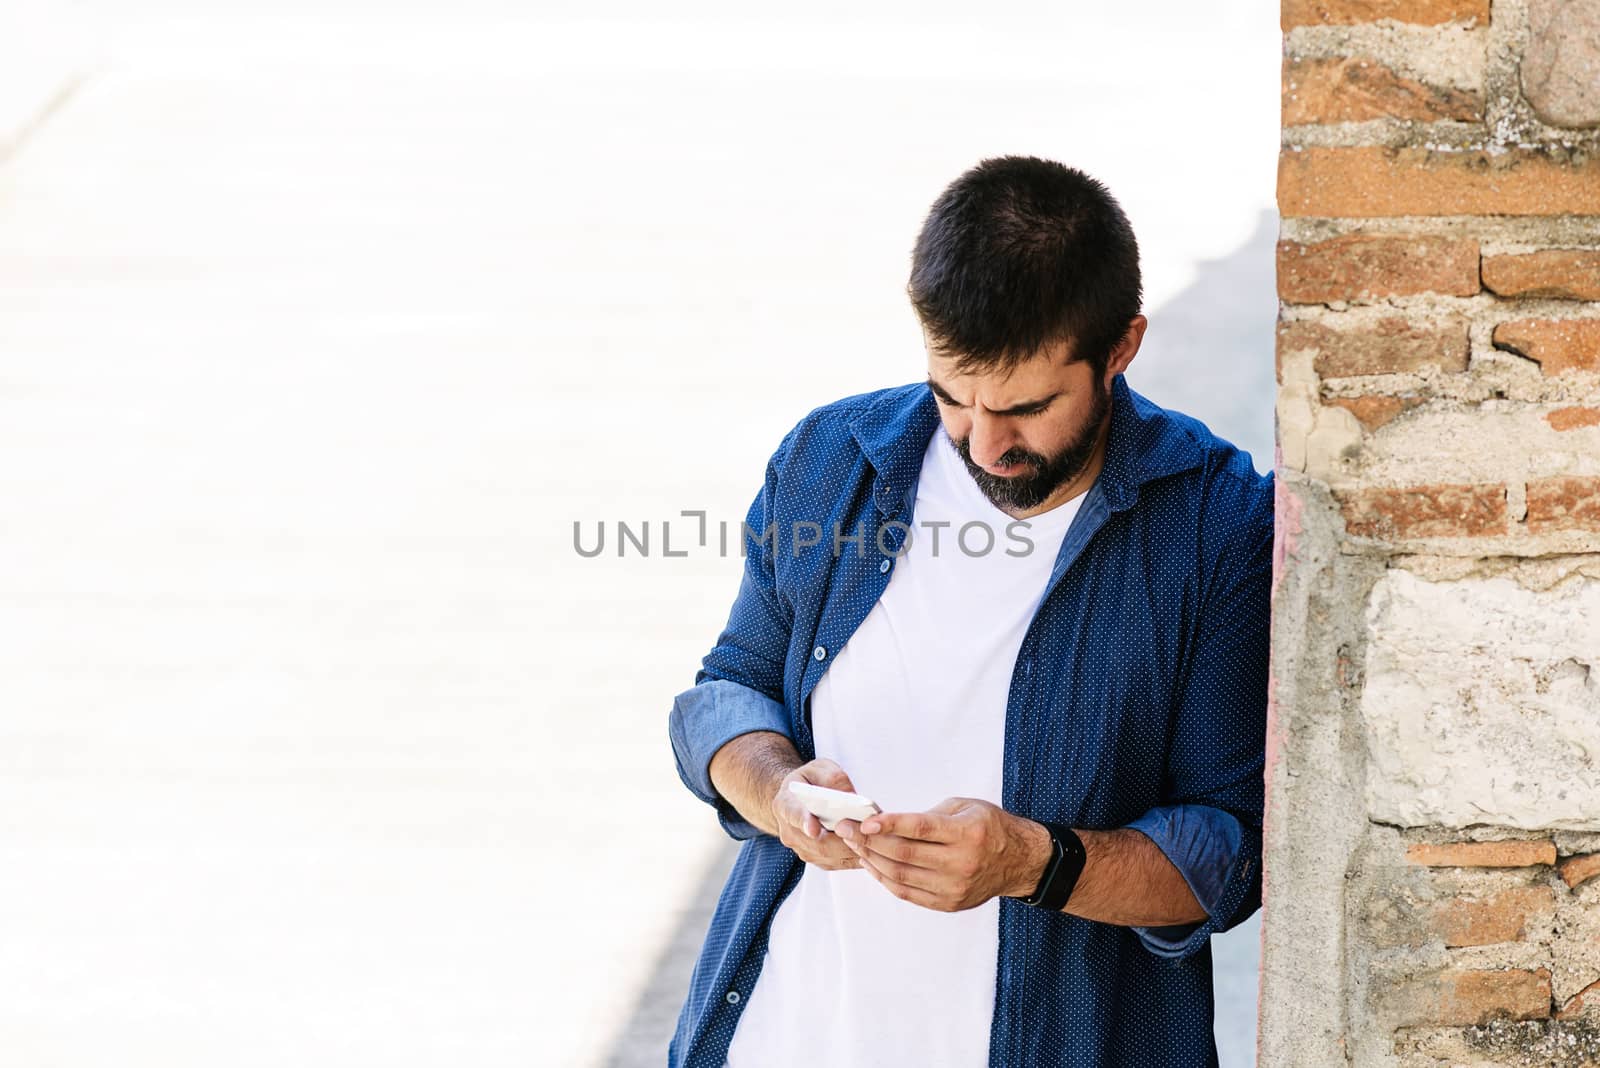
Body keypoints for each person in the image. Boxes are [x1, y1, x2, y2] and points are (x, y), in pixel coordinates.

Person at [666, 155, 1273, 1068]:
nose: (984, 444)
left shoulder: (1216, 521)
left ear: (1121, 348)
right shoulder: (834, 457)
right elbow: (727, 693)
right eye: (954, 396)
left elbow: (1223, 856)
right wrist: (779, 793)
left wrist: (1031, 861)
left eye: (1026, 408)